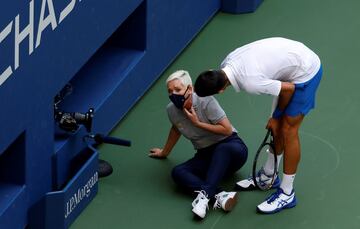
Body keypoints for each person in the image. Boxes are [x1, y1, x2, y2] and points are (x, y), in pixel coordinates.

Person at [194, 37, 322, 214]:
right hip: (290, 61)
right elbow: (280, 86)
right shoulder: (227, 61)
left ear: (221, 91)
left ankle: (287, 193)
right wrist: (275, 119)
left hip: (305, 71)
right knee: (277, 128)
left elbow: (289, 89)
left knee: (287, 130)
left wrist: (276, 117)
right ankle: (270, 176)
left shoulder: (250, 82)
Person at [149, 70, 248, 219]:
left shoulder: (206, 100)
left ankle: (204, 197)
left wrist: (197, 123)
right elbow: (176, 129)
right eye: (170, 91)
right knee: (178, 172)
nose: (173, 94)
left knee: (222, 149)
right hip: (206, 155)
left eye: (177, 89)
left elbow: (227, 130)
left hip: (232, 149)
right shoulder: (171, 110)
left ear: (190, 88)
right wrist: (164, 152)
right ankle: (220, 195)